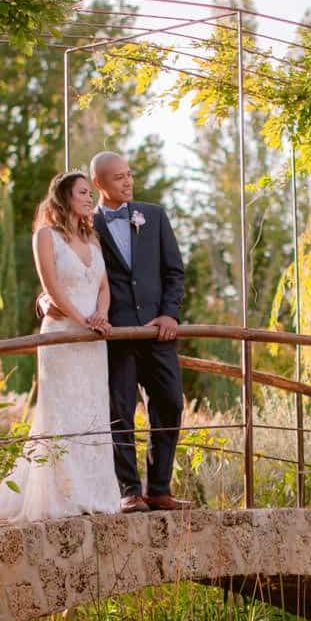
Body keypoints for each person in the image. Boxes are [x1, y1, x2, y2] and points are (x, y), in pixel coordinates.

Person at [0, 171, 122, 523]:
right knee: (62, 412)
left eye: (89, 193)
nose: (89, 198)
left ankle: (94, 494)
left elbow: (103, 286)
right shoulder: (45, 237)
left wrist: (102, 316)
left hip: (94, 340)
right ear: (64, 197)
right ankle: (62, 494)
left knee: (93, 413)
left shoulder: (92, 239)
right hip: (62, 335)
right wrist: (82, 320)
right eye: (82, 192)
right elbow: (53, 288)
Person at [87, 150, 190, 513]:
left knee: (170, 403)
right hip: (114, 336)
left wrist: (170, 315)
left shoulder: (155, 216)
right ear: (98, 183)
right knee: (120, 412)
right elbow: (71, 270)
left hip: (156, 333)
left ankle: (159, 488)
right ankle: (129, 491)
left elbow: (174, 272)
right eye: (119, 177)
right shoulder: (86, 225)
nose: (128, 182)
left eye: (129, 175)